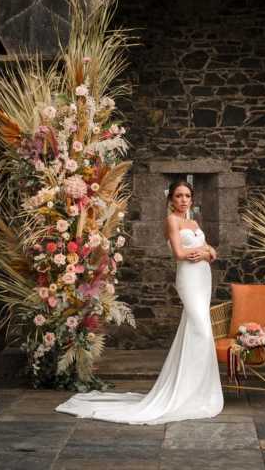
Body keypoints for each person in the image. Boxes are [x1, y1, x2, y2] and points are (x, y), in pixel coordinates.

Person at [54, 179, 224, 424]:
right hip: (188, 277)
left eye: (187, 195)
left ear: (191, 199)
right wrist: (203, 253)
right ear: (171, 199)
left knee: (197, 329)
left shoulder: (194, 222)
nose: (183, 200)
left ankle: (197, 391)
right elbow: (178, 253)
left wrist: (208, 253)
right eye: (178, 196)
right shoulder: (172, 221)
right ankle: (185, 392)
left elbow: (212, 251)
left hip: (203, 278)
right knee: (201, 330)